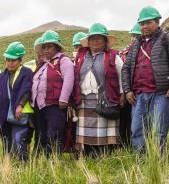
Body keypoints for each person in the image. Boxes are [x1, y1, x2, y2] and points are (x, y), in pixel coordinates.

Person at [121, 7, 169, 153]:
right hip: (138, 94)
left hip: (161, 93)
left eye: (148, 22)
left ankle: (157, 161)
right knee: (137, 129)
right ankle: (141, 160)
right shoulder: (136, 44)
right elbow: (126, 68)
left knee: (158, 129)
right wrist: (127, 90)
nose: (144, 26)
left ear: (157, 21)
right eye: (142, 23)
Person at [72, 24, 124, 156]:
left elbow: (122, 76)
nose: (95, 41)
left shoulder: (113, 57)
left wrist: (123, 93)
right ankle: (89, 154)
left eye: (99, 38)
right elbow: (74, 78)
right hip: (83, 100)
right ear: (88, 42)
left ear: (105, 41)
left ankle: (105, 155)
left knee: (104, 132)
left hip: (105, 100)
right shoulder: (80, 58)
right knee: (86, 132)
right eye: (92, 38)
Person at [30, 31, 74, 155]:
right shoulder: (42, 63)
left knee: (53, 133)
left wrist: (64, 98)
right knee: (41, 133)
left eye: (50, 46)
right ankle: (42, 160)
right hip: (39, 106)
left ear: (57, 47)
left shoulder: (63, 60)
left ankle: (53, 161)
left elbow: (69, 78)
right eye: (44, 47)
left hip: (55, 104)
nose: (46, 49)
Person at [0, 42, 33, 160]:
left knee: (19, 140)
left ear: (20, 60)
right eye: (8, 60)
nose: (10, 63)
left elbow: (27, 90)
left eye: (13, 60)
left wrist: (20, 105)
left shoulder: (26, 72)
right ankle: (8, 167)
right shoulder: (1, 77)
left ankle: (22, 168)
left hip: (20, 115)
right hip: (4, 115)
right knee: (6, 142)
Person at [117, 23, 142, 147]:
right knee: (125, 118)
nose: (134, 38)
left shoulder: (145, 50)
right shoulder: (123, 52)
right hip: (126, 90)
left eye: (137, 35)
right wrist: (124, 91)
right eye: (132, 35)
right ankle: (125, 143)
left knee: (139, 119)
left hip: (140, 90)